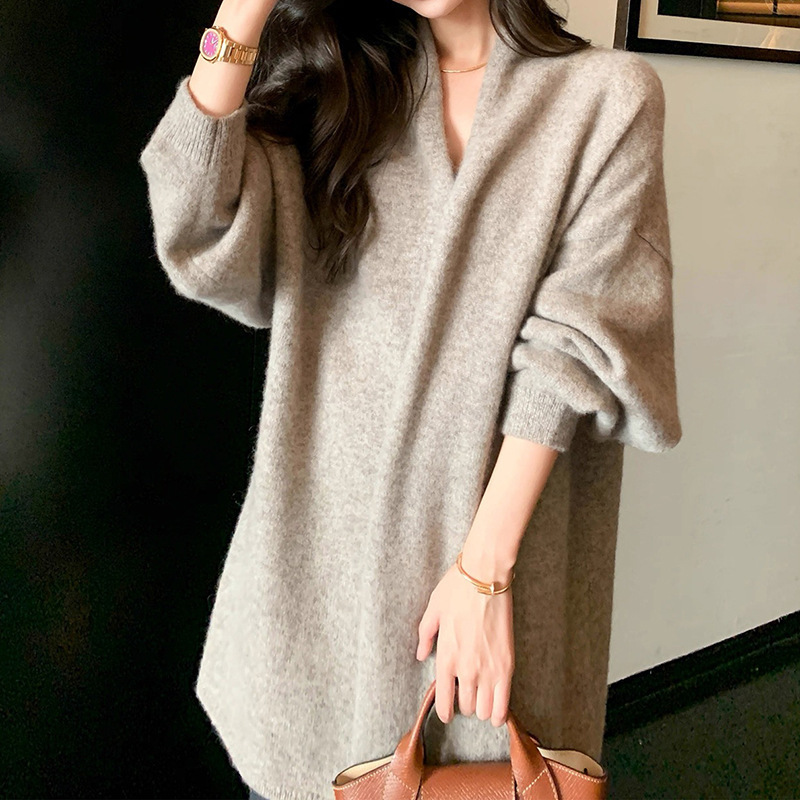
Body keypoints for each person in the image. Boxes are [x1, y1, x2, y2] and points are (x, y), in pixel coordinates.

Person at [138, 0, 682, 797]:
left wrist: (484, 573)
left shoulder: (605, 97)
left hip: (496, 598)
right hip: (316, 607)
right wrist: (242, 14)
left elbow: (574, 349)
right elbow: (194, 224)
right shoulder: (334, 98)